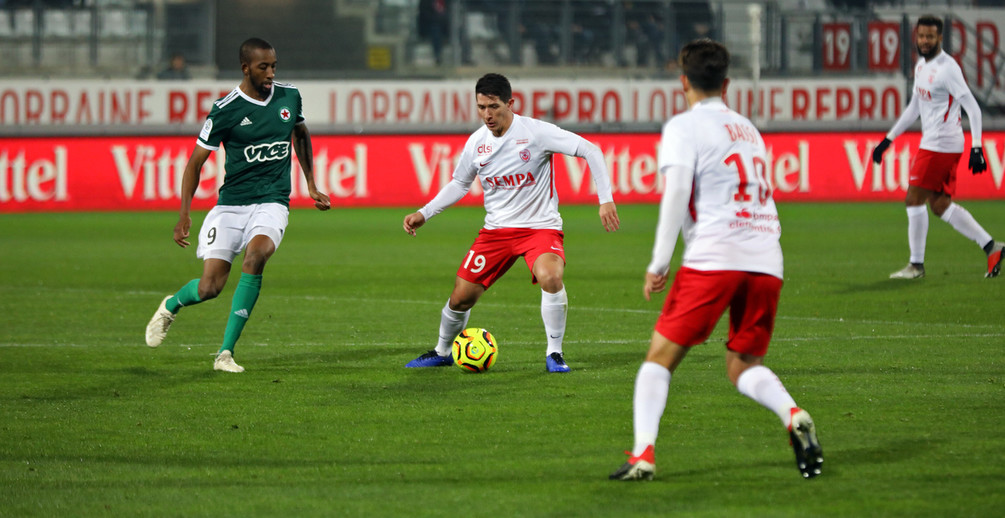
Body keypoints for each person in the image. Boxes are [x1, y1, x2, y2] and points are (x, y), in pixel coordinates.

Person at [609, 39, 822, 481]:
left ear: (683, 81)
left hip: (715, 255)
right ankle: (793, 413)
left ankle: (642, 454)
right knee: (743, 365)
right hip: (766, 257)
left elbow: (677, 195)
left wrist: (659, 262)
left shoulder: (684, 128)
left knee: (658, 360)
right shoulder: (748, 129)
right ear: (726, 83)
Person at [402, 72, 620, 373]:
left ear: (510, 103)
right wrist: (424, 213)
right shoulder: (477, 143)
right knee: (461, 298)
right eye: (481, 107)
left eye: (493, 107)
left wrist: (605, 199)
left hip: (540, 228)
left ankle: (554, 353)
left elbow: (590, 150)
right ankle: (442, 351)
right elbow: (459, 184)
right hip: (496, 232)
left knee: (551, 277)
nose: (487, 115)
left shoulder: (535, 132)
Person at [144, 37, 331, 372]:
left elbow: (300, 133)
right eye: (263, 67)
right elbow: (194, 164)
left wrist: (311, 183)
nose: (271, 73)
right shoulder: (225, 109)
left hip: (272, 202)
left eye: (274, 65)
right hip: (231, 205)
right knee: (210, 287)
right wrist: (184, 213)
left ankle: (225, 353)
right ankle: (172, 304)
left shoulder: (289, 96)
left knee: (256, 256)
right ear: (245, 68)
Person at [872, 15, 1003, 280]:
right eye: (921, 36)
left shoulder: (948, 68)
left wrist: (978, 148)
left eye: (930, 37)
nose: (925, 41)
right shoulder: (921, 66)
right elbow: (914, 108)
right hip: (939, 143)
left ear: (940, 38)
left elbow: (973, 108)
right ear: (916, 37)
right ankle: (992, 247)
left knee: (913, 199)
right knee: (940, 205)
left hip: (940, 144)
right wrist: (889, 138)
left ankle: (916, 266)